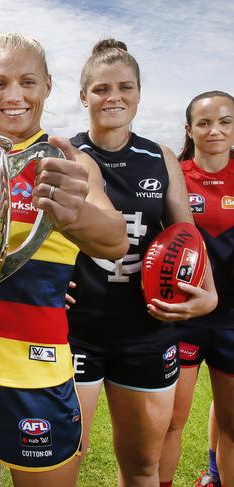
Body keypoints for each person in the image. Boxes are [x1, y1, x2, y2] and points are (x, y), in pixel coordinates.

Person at [0, 33, 128, 487]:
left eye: (27, 81)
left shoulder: (66, 161)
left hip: (35, 374)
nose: (14, 96)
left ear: (47, 86)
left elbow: (116, 241)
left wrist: (74, 213)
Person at [66, 39, 218, 487]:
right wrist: (48, 283)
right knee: (68, 459)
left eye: (124, 87)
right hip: (78, 331)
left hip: (146, 331)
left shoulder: (161, 158)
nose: (113, 97)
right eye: (100, 88)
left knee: (142, 467)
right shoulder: (67, 156)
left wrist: (208, 295)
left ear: (138, 94)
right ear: (83, 96)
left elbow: (187, 236)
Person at [159, 90, 234, 487]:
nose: (215, 130)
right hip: (182, 319)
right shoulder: (174, 178)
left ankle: (215, 477)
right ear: (189, 129)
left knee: (232, 423)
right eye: (204, 123)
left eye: (224, 121)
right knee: (172, 421)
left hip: (232, 323)